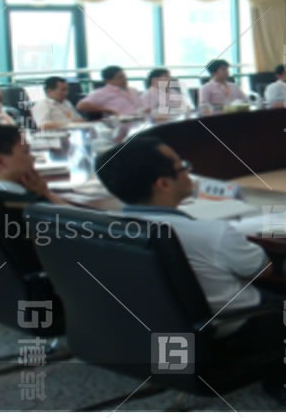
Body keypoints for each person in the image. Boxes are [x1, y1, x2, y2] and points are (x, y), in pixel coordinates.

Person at [95, 136, 274, 336]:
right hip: (236, 327)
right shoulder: (212, 233)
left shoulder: (105, 228)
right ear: (163, 184)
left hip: (151, 332)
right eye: (182, 167)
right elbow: (262, 270)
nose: (188, 172)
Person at [0, 124, 67, 205]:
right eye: (26, 152)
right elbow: (73, 222)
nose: (33, 158)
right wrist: (46, 193)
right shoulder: (25, 204)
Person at [77, 65, 143, 116]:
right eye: (120, 77)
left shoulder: (133, 90)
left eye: (125, 76)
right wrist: (106, 110)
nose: (124, 79)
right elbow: (81, 106)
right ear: (108, 80)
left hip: (140, 121)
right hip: (119, 123)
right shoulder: (102, 92)